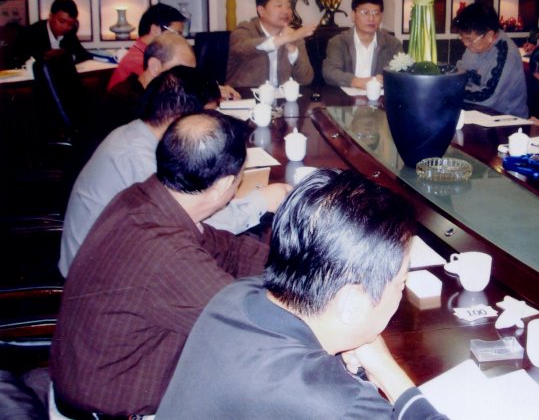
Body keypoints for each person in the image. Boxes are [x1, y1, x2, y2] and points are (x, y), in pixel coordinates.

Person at [157, 169, 445, 420]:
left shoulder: (237, 296)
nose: (401, 291)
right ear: (351, 304)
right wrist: (386, 371)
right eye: (400, 282)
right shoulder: (336, 403)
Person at [50, 110, 271, 418]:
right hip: (110, 414)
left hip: (92, 382)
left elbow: (228, 249)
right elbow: (254, 325)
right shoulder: (169, 255)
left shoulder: (143, 198)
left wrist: (294, 263)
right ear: (224, 186)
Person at [59, 66, 288, 276]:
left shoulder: (139, 134)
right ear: (181, 120)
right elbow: (193, 225)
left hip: (120, 254)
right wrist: (260, 202)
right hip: (97, 275)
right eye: (209, 116)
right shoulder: (139, 158)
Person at [226, 0, 315, 88]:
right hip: (244, 96)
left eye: (289, 6)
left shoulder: (293, 36)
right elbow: (245, 47)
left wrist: (293, 50)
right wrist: (282, 40)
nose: (286, 11)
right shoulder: (244, 30)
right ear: (261, 11)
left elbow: (306, 79)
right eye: (279, 6)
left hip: (281, 97)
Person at [453, 3, 528, 118]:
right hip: (479, 112)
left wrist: (451, 92)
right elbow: (462, 73)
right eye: (462, 38)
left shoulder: (506, 55)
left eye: (469, 39)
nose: (465, 44)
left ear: (489, 36)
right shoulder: (475, 46)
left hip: (506, 120)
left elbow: (486, 98)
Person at [322, 0, 402, 88]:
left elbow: (401, 74)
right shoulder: (338, 42)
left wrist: (386, 80)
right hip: (346, 96)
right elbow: (330, 72)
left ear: (381, 17)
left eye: (376, 13)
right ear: (353, 15)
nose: (371, 18)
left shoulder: (393, 44)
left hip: (380, 96)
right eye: (365, 13)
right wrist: (355, 81)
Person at [107, 2, 187, 90]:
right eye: (177, 33)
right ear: (154, 30)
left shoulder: (148, 54)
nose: (181, 39)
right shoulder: (138, 62)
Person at [12, 0, 91, 66]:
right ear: (51, 16)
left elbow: (84, 55)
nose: (66, 27)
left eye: (71, 24)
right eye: (62, 21)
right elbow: (18, 60)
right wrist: (44, 56)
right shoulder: (31, 33)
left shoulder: (70, 33)